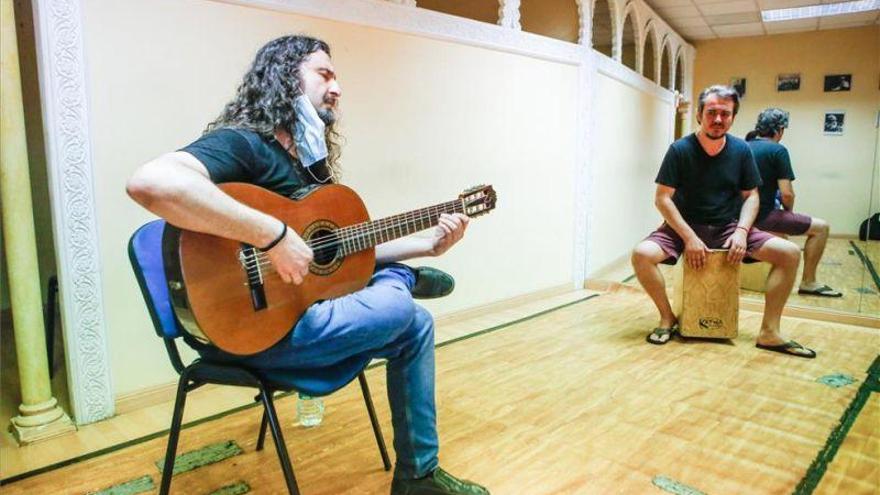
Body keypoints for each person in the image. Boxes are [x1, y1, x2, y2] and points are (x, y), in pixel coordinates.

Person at [126, 35, 489, 495]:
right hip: (255, 334)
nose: (337, 88)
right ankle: (401, 282)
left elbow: (336, 259)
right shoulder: (244, 144)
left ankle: (417, 476)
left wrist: (426, 246)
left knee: (414, 323)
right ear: (284, 75)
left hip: (301, 314)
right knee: (402, 312)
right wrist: (272, 235)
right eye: (325, 73)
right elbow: (150, 183)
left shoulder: (308, 168)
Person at [630, 85, 815, 358]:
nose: (718, 119)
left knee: (788, 254)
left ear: (733, 117)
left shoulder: (741, 150)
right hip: (682, 228)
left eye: (725, 114)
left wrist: (741, 232)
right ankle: (668, 318)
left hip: (728, 227)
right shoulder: (680, 150)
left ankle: (769, 332)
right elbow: (662, 199)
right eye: (712, 112)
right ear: (700, 115)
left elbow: (751, 196)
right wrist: (690, 237)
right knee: (641, 255)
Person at [745, 108, 842, 298]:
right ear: (780, 130)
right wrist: (788, 212)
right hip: (764, 216)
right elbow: (787, 194)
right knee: (821, 228)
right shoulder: (778, 150)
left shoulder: (743, 146)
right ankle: (809, 281)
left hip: (741, 218)